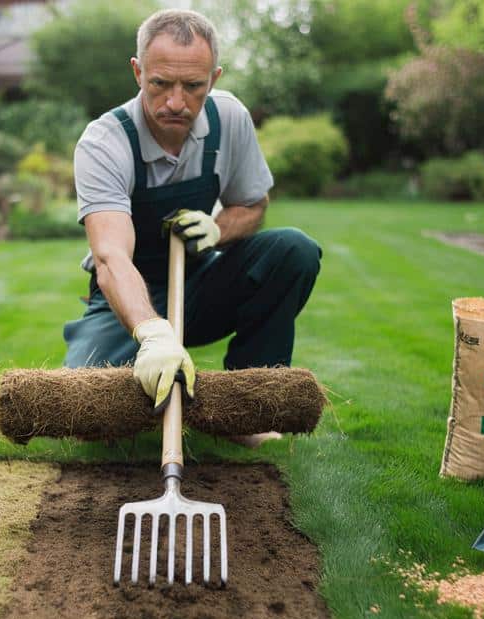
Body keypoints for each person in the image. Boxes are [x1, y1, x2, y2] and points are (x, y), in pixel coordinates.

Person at [64, 8, 322, 447]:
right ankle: (160, 372)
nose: (176, 103)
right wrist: (151, 332)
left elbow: (253, 203)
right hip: (125, 293)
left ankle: (247, 410)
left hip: (201, 284)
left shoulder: (230, 120)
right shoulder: (105, 141)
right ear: (137, 71)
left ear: (214, 78)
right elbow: (110, 257)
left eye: (193, 86)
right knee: (87, 412)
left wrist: (219, 229)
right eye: (160, 83)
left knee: (293, 250)